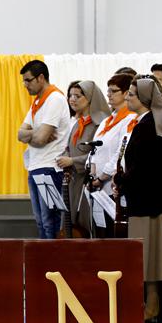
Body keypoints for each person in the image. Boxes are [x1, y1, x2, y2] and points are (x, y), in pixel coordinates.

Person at [113, 76, 162, 323]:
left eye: (132, 94)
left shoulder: (149, 126)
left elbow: (142, 169)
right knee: (150, 257)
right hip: (149, 200)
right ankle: (151, 306)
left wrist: (121, 180)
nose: (127, 97)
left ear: (145, 99)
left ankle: (152, 307)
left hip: (148, 202)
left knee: (149, 257)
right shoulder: (150, 123)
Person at [17, 60, 71, 239]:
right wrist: (37, 132)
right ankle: (44, 263)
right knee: (40, 221)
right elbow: (20, 134)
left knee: (50, 222)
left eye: (28, 80)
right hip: (35, 165)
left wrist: (34, 135)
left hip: (49, 167)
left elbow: (40, 139)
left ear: (41, 78)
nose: (25, 85)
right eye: (24, 81)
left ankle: (54, 263)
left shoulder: (54, 98)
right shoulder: (38, 102)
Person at [55, 80, 110, 235]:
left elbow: (99, 153)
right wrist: (65, 157)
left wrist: (73, 161)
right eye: (70, 95)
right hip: (73, 180)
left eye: (77, 96)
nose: (72, 99)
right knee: (69, 223)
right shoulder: (77, 123)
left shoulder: (99, 124)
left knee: (85, 225)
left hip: (87, 182)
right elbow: (69, 148)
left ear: (90, 98)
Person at [89, 73, 138, 235]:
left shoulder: (130, 118)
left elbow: (121, 153)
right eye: (108, 90)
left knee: (112, 232)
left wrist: (102, 176)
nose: (108, 94)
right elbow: (96, 148)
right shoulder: (108, 120)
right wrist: (92, 170)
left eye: (113, 91)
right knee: (101, 231)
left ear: (126, 94)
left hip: (112, 184)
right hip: (98, 185)